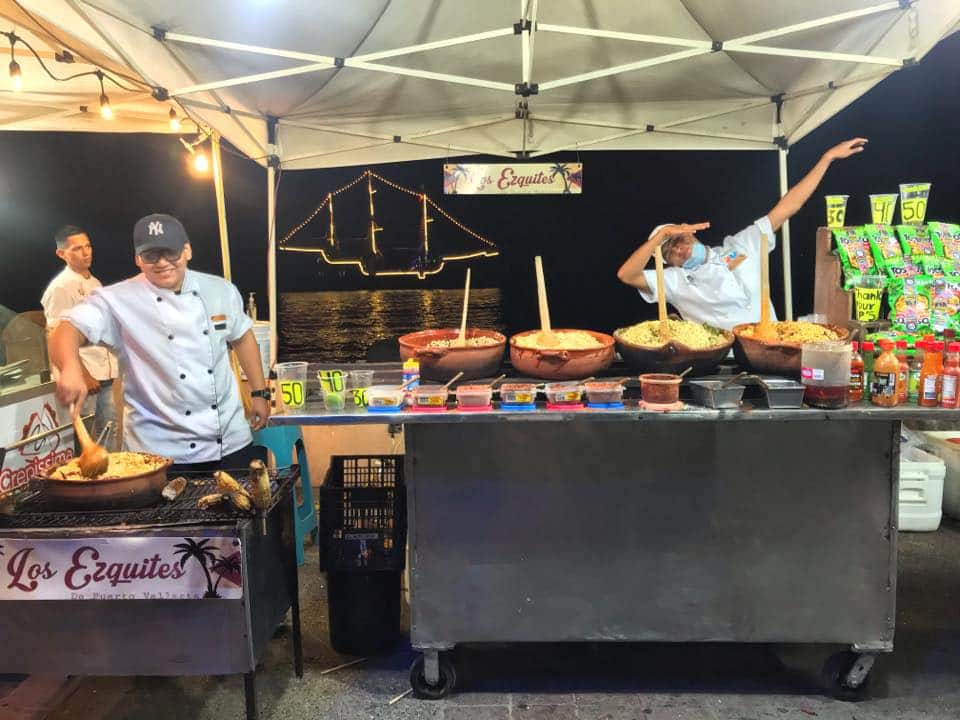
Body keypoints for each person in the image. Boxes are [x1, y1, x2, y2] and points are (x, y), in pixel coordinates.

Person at [49, 213, 270, 473]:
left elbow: (242, 336)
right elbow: (64, 330)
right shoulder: (117, 299)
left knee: (242, 509)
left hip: (229, 441)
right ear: (138, 259)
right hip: (156, 453)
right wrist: (71, 367)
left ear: (187, 250)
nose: (163, 262)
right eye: (152, 255)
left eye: (171, 253)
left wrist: (259, 392)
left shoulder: (220, 290)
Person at [616, 138, 868, 330]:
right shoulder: (674, 281)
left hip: (769, 347)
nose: (679, 251)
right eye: (670, 254)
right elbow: (626, 275)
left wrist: (827, 158)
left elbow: (789, 206)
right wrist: (659, 239)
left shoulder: (739, 245)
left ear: (690, 231)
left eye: (678, 241)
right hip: (722, 364)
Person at [41, 225, 120, 448]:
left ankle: (111, 476)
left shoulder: (94, 283)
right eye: (77, 248)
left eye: (88, 246)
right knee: (83, 436)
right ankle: (85, 481)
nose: (86, 252)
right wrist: (83, 374)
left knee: (109, 429)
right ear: (61, 254)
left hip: (103, 372)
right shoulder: (61, 287)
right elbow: (57, 333)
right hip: (84, 377)